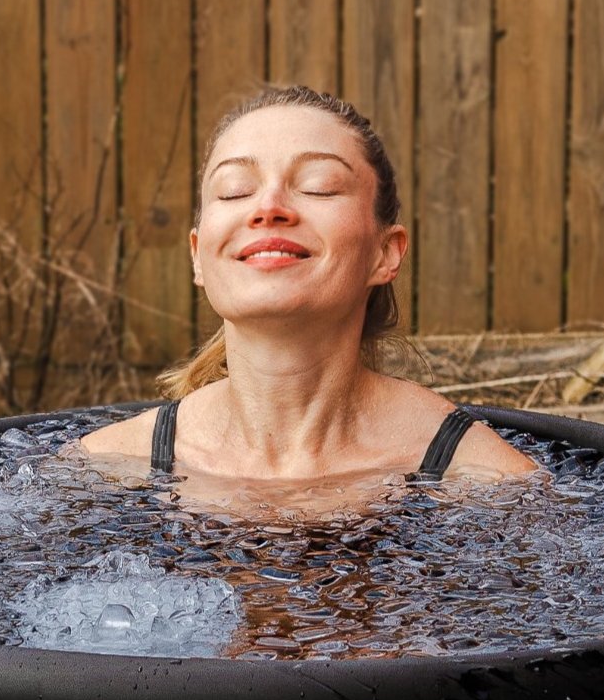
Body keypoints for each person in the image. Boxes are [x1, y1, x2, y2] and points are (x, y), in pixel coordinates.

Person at [80, 85, 535, 492]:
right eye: (235, 190)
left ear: (386, 253)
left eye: (319, 187)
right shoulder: (102, 470)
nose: (268, 207)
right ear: (198, 255)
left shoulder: (486, 481)